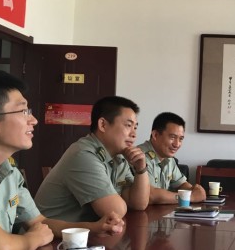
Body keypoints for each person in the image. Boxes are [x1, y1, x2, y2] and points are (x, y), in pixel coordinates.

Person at [0, 69, 121, 250]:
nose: (33, 120)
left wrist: (95, 227)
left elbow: (40, 222)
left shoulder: (7, 168)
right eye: (23, 111)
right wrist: (34, 238)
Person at [35, 96, 150, 224]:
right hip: (52, 234)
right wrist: (121, 199)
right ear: (103, 125)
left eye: (135, 127)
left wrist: (141, 169)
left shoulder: (119, 157)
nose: (134, 134)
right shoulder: (83, 154)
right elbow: (115, 211)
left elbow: (139, 204)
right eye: (128, 125)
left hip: (84, 232)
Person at [137, 112, 206, 204]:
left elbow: (181, 184)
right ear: (155, 135)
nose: (177, 144)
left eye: (181, 139)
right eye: (172, 137)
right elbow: (149, 195)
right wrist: (190, 197)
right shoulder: (139, 156)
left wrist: (195, 190)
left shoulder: (169, 159)